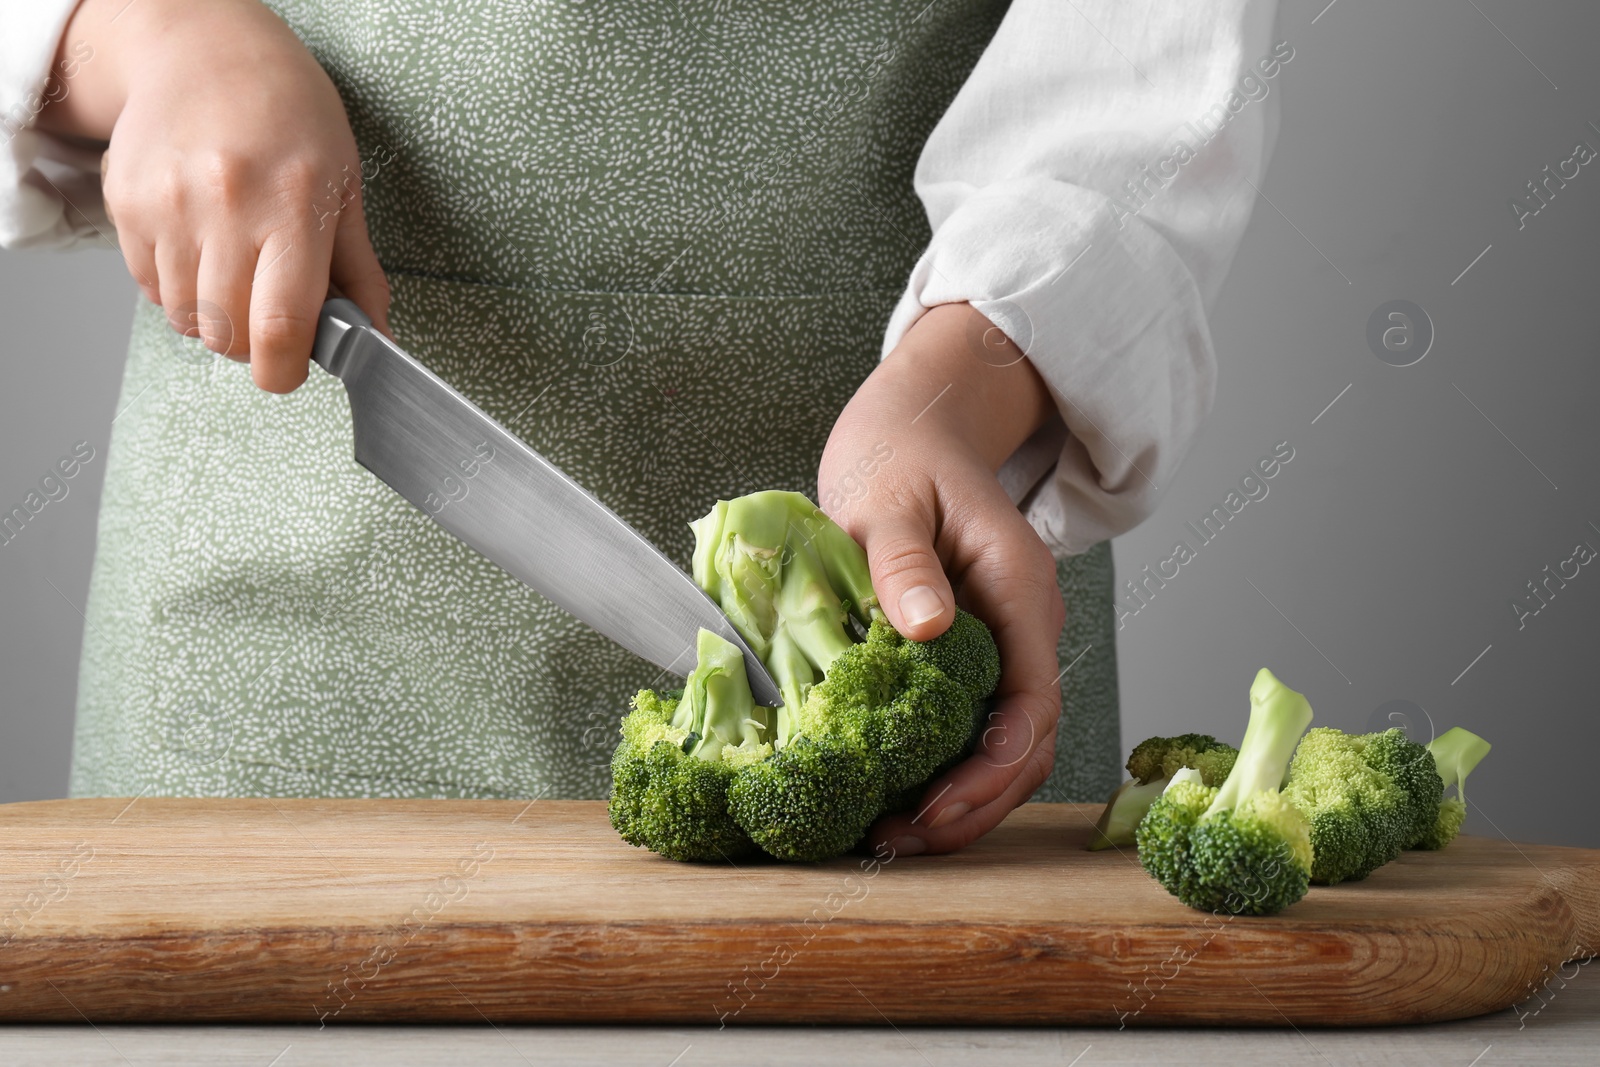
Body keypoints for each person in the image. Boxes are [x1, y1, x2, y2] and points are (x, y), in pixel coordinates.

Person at [0, 0, 1279, 857]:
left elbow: (1144, 84)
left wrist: (967, 383)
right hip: (273, 626)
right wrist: (144, 36)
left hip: (933, 524)